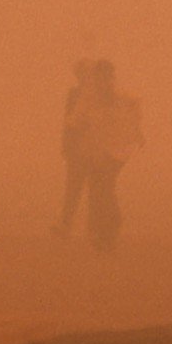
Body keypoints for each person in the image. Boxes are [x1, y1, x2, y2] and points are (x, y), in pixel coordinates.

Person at [67, 59, 143, 251]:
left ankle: (110, 227)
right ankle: (102, 231)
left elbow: (136, 105)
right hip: (96, 149)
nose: (103, 81)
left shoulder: (121, 96)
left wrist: (136, 130)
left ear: (111, 77)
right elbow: (76, 120)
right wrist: (75, 126)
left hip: (117, 150)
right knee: (97, 188)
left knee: (105, 187)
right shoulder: (88, 97)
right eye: (99, 77)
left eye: (106, 77)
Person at [53, 59, 96, 238]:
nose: (82, 77)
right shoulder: (73, 94)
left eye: (84, 73)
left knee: (95, 187)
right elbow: (68, 121)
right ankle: (66, 223)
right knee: (73, 186)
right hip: (76, 147)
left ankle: (93, 227)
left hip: (95, 146)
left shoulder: (100, 95)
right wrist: (66, 144)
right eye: (79, 73)